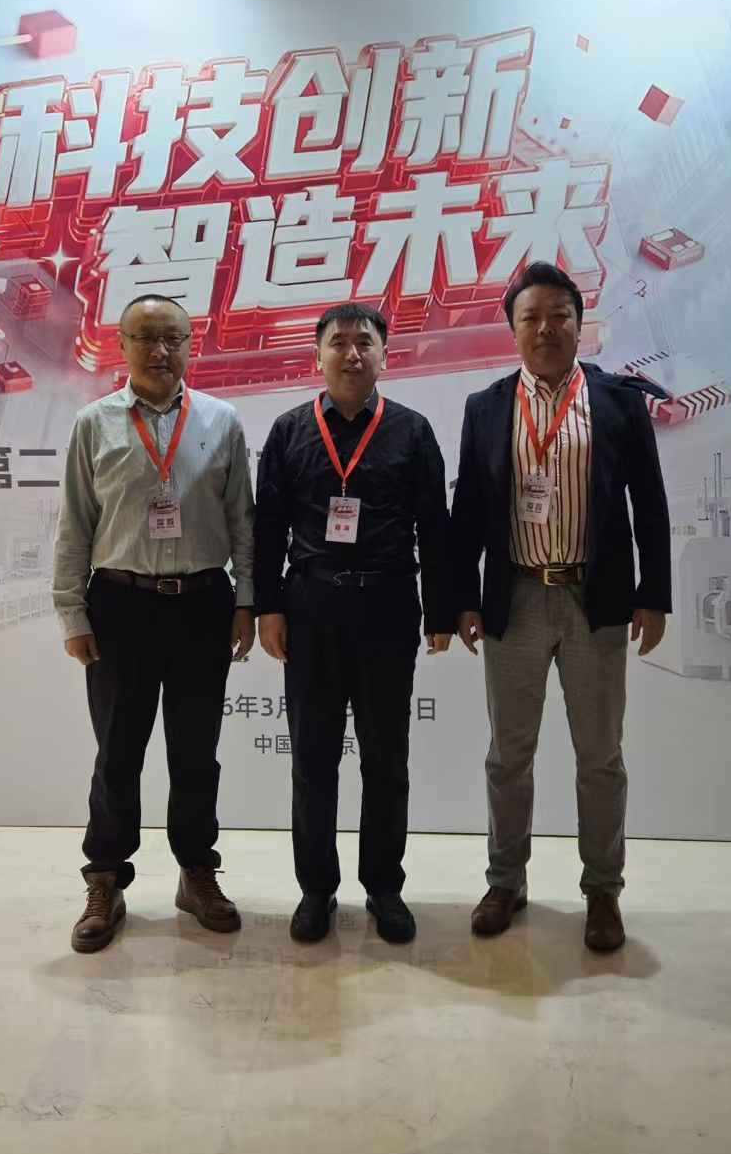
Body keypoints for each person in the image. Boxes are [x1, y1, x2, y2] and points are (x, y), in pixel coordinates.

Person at [450, 262, 671, 952]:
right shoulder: (486, 407)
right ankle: (505, 882)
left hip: (593, 601)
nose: (545, 329)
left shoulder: (618, 403)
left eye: (558, 316)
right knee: (507, 756)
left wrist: (654, 596)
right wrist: (461, 598)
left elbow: (650, 504)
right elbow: (468, 510)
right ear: (513, 329)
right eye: (531, 318)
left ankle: (603, 891)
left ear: (579, 323)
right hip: (514, 599)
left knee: (600, 757)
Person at [54, 294, 256, 953]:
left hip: (202, 604)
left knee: (195, 751)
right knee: (118, 753)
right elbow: (74, 524)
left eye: (173, 337)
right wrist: (72, 611)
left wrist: (246, 602)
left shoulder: (222, 420)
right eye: (144, 337)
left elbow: (242, 521)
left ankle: (197, 872)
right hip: (120, 605)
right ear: (121, 344)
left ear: (191, 345)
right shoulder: (94, 423)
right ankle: (106, 878)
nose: (159, 350)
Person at [254, 304, 452, 945]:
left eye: (364, 342)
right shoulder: (288, 432)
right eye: (337, 342)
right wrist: (267, 609)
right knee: (313, 760)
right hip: (310, 608)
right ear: (317, 356)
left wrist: (441, 611)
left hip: (387, 607)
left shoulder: (412, 431)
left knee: (386, 758)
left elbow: (436, 526)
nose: (351, 353)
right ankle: (316, 888)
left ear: (384, 356)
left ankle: (384, 886)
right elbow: (267, 530)